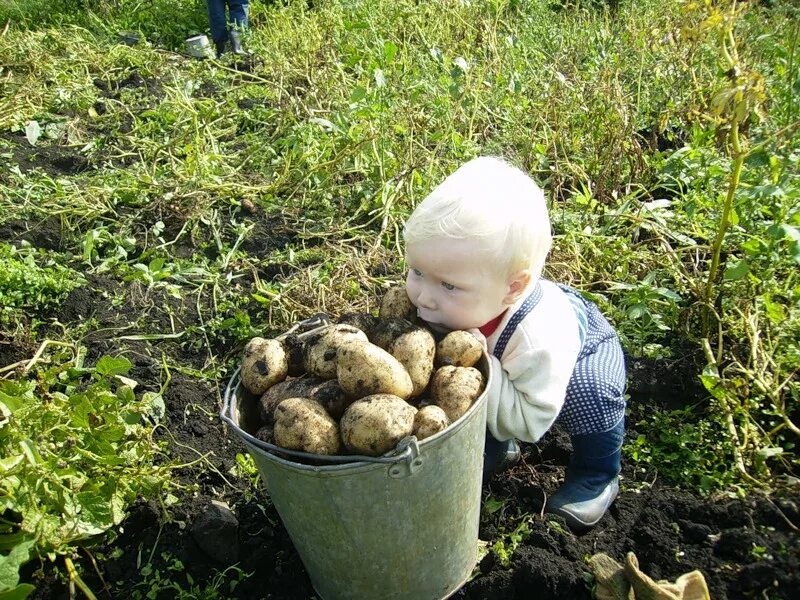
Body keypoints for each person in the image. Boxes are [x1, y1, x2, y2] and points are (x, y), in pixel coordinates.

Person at [403, 156, 627, 530]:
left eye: (449, 285)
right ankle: (494, 444)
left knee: (592, 396)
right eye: (417, 272)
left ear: (513, 288)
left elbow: (531, 422)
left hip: (580, 357)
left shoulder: (539, 339)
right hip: (506, 364)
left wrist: (480, 363)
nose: (423, 297)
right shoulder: (446, 304)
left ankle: (597, 475)